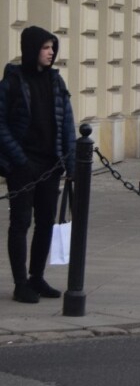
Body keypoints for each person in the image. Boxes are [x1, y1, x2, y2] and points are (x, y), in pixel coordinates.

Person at [0, 27, 77, 303]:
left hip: (49, 165)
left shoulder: (56, 82)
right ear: (33, 49)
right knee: (21, 222)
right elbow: (1, 124)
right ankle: (21, 283)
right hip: (22, 166)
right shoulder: (12, 82)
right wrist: (19, 160)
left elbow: (67, 123)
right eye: (46, 47)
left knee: (45, 222)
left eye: (52, 47)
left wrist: (70, 162)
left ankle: (37, 277)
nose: (51, 52)